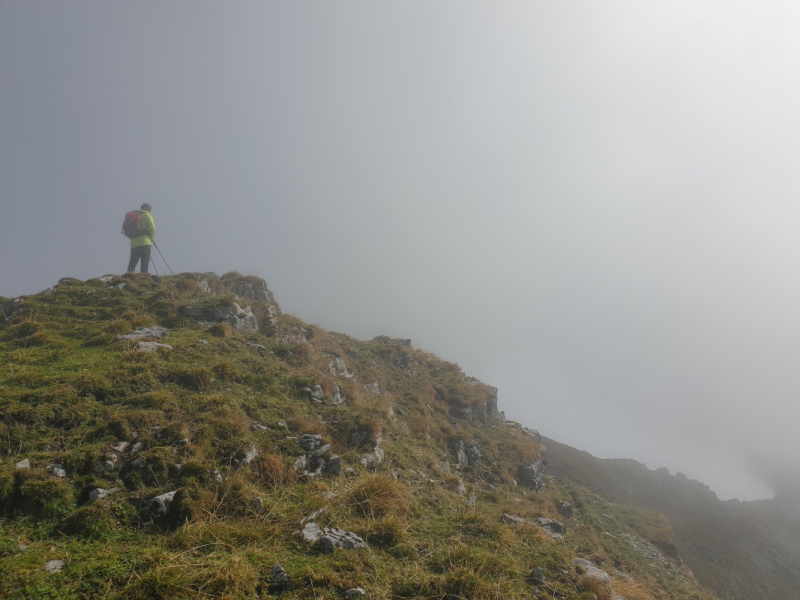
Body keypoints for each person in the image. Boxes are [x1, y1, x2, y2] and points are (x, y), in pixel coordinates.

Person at [126, 203, 156, 273]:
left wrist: (133, 238)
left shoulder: (133, 217)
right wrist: (151, 238)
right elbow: (152, 228)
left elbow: (127, 230)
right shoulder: (147, 215)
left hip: (134, 244)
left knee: (133, 261)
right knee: (145, 260)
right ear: (149, 210)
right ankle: (143, 276)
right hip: (145, 242)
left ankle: (129, 276)